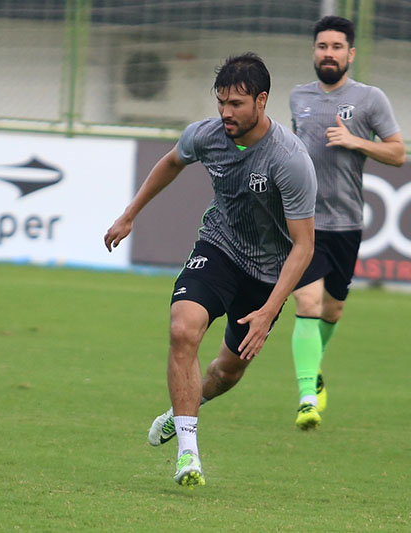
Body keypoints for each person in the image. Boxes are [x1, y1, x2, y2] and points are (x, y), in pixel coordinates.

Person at [105, 53, 317, 487]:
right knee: (183, 328)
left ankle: (182, 408)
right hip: (218, 249)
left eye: (236, 104)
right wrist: (130, 214)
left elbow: (304, 246)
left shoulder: (289, 160)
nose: (225, 112)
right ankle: (188, 455)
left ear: (262, 101)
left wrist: (268, 310)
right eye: (221, 102)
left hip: (267, 276)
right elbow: (171, 162)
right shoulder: (207, 134)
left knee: (226, 371)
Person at [288, 16, 405, 430]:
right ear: (314, 50)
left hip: (347, 224)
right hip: (302, 223)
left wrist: (356, 141)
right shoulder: (298, 97)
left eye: (337, 47)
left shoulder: (370, 99)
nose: (329, 53)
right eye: (322, 46)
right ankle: (306, 395)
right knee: (308, 303)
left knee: (333, 310)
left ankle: (313, 373)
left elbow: (398, 153)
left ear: (350, 54)